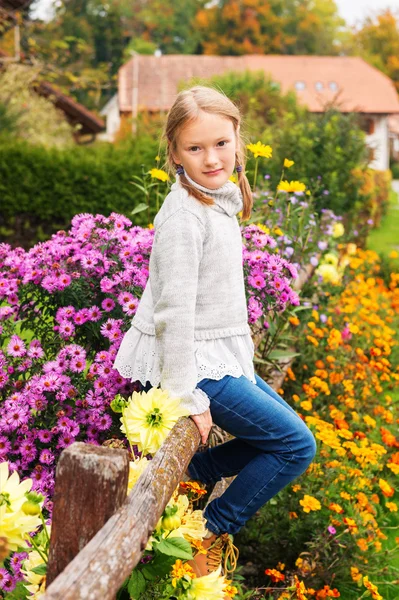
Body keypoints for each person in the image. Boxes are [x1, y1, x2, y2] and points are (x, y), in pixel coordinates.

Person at [113, 85, 317, 581]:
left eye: (221, 143)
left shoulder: (217, 202)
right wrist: (187, 396)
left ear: (237, 141)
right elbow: (174, 313)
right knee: (296, 446)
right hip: (194, 365)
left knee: (279, 433)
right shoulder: (184, 215)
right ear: (175, 153)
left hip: (220, 354)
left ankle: (195, 476)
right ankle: (206, 534)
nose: (211, 158)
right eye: (195, 148)